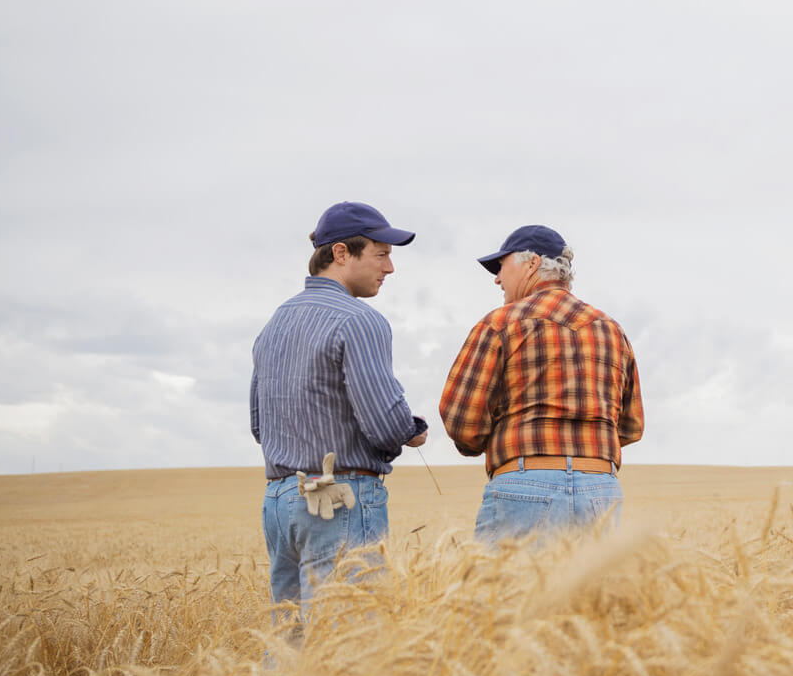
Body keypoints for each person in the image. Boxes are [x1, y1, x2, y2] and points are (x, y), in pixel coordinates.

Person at [251, 201, 428, 612]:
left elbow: (259, 425)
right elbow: (385, 425)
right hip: (339, 500)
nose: (390, 268)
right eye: (381, 254)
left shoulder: (273, 324)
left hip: (280, 500)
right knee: (349, 642)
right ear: (341, 253)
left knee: (292, 640)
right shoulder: (360, 320)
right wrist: (412, 429)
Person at [440, 224, 644, 543]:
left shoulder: (499, 324)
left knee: (507, 592)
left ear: (532, 263)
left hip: (523, 484)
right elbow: (631, 427)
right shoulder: (611, 330)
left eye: (501, 267)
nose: (497, 278)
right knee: (589, 593)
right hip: (600, 488)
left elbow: (463, 423)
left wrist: (490, 441)